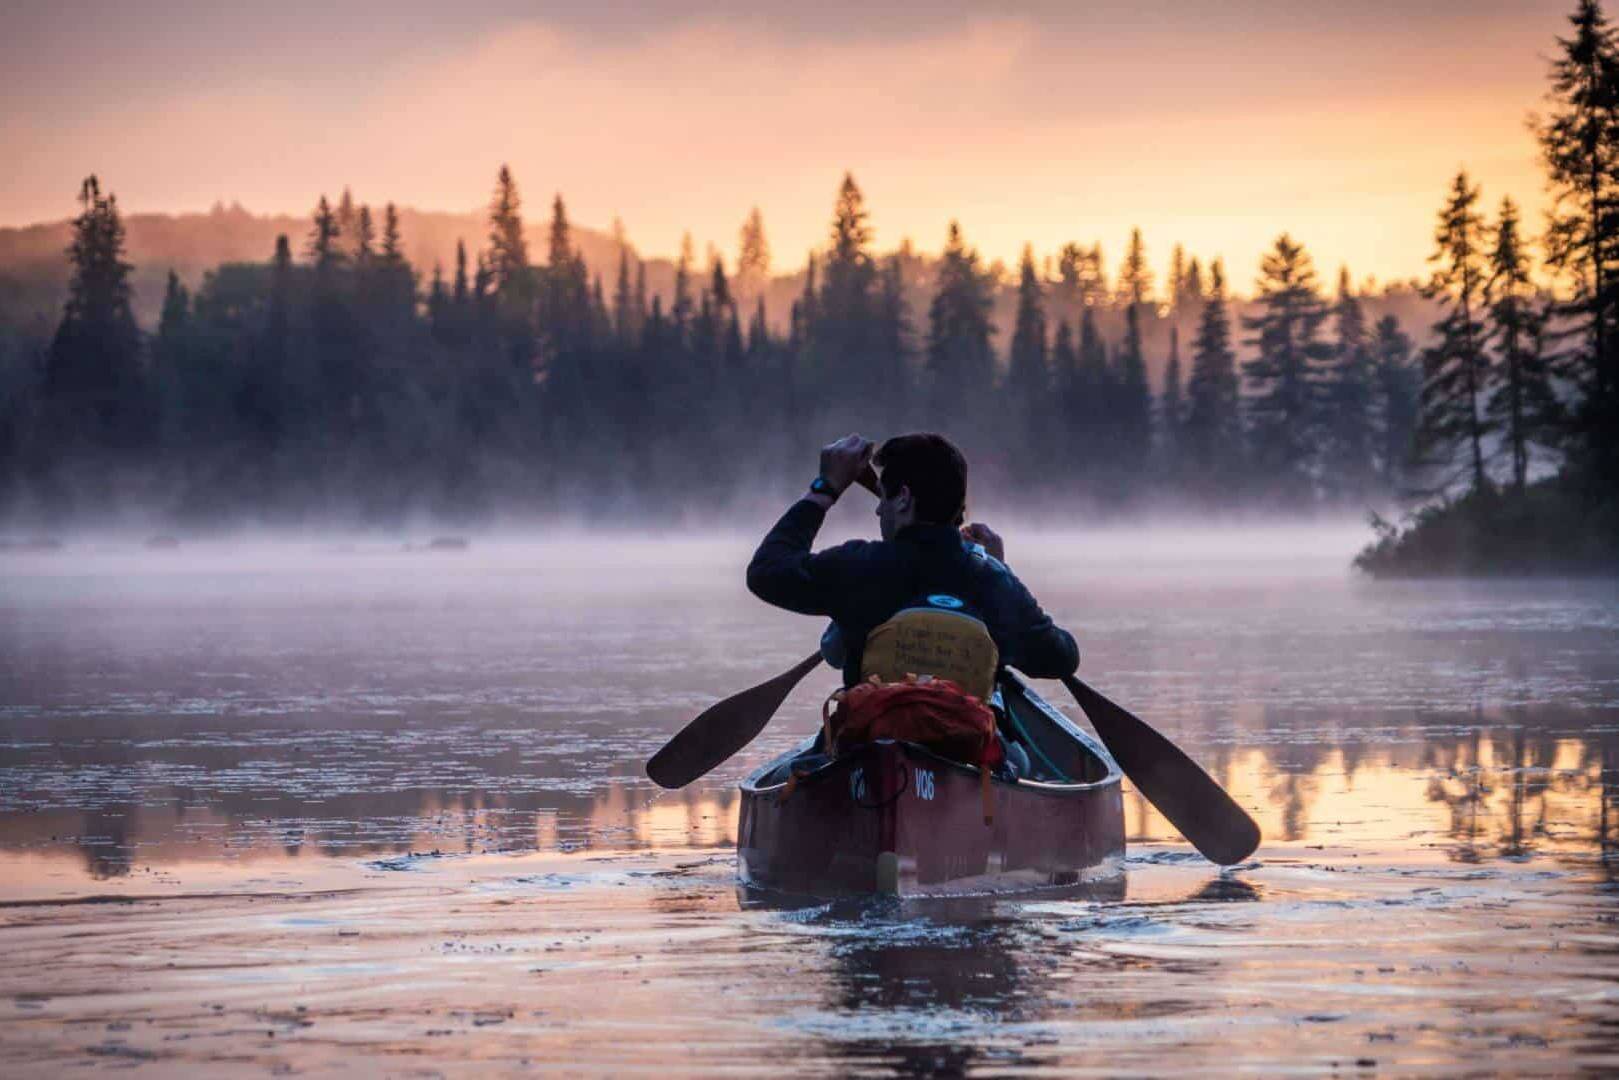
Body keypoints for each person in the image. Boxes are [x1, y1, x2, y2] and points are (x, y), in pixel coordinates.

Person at [746, 432, 1079, 692]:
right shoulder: (991, 579)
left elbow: (766, 572)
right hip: (963, 744)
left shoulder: (858, 566)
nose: (879, 509)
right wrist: (1001, 568)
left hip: (874, 741)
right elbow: (1062, 658)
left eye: (884, 497)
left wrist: (825, 489)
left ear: (903, 498)